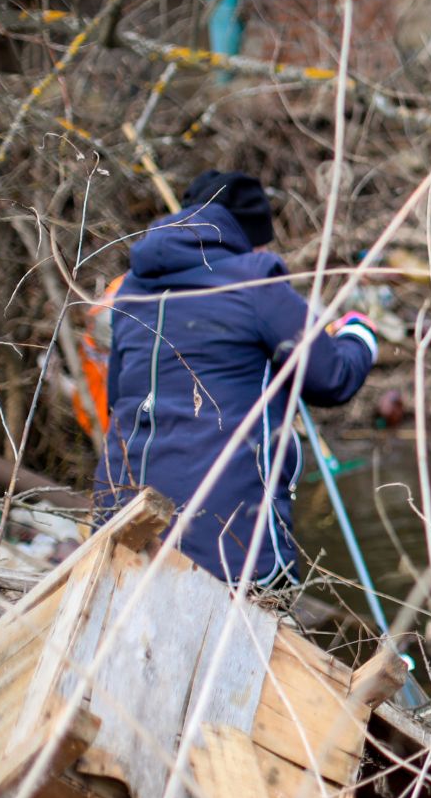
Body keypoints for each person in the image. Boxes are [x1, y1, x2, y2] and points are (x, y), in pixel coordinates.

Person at [92, 170, 380, 585]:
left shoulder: (131, 289)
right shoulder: (256, 279)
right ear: (248, 234)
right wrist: (359, 331)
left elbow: (116, 400)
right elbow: (332, 377)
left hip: (123, 529)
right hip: (233, 549)